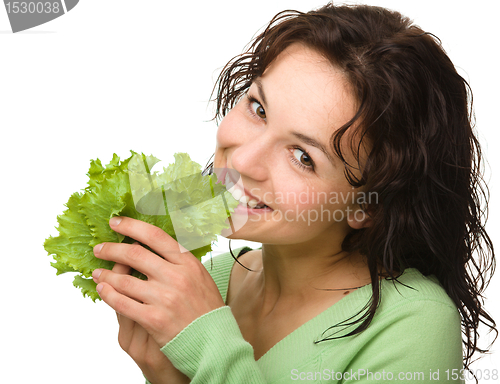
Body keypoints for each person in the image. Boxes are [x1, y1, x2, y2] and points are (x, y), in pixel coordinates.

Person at [90, 3, 496, 383]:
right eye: (259, 109)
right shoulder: (209, 281)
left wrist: (209, 347)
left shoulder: (414, 325)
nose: (244, 161)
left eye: (303, 156)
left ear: (367, 207)